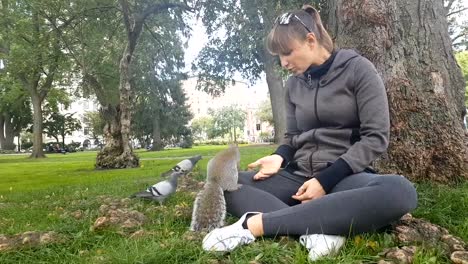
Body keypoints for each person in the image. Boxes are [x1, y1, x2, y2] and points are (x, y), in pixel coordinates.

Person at [201, 4, 418, 261]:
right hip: (297, 177)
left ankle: (255, 225)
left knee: (400, 191)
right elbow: (292, 136)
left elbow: (376, 137)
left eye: (288, 53)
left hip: (343, 177)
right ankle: (320, 226)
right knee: (222, 183)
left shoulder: (359, 70)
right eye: (278, 56)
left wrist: (324, 181)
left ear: (311, 40)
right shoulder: (293, 84)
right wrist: (280, 156)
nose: (283, 62)